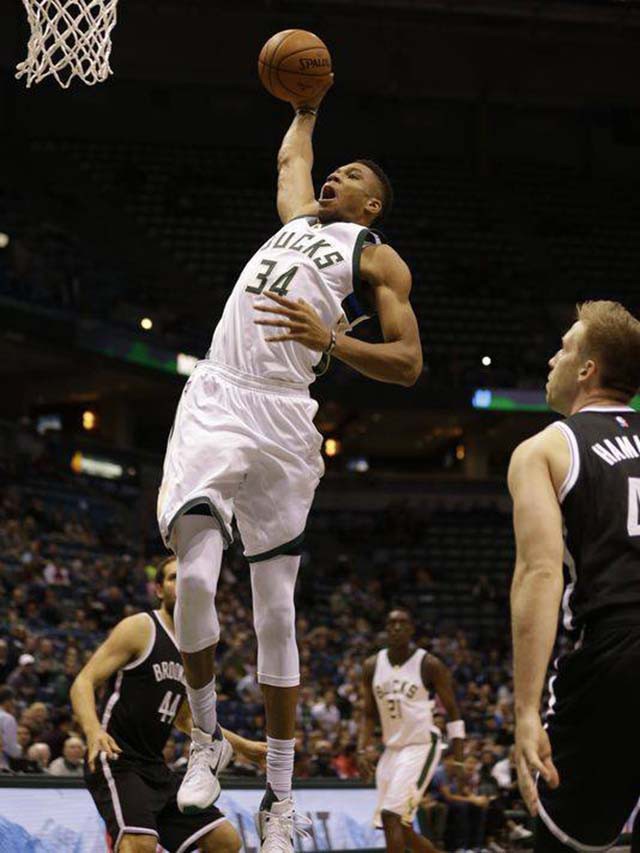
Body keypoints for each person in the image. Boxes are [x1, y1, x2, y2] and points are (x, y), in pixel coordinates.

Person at [156, 70, 422, 852]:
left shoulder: (376, 259)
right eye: (335, 170)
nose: (335, 175)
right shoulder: (296, 217)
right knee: (196, 576)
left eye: (355, 176)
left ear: (371, 206)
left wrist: (331, 339)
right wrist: (306, 107)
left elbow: (408, 362)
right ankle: (204, 739)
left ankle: (278, 795)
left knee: (277, 610)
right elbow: (290, 163)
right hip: (218, 396)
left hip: (286, 414)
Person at [509, 301, 640, 851]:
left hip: (617, 653)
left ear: (587, 369)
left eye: (564, 348)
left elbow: (540, 575)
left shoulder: (546, 448)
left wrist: (525, 710)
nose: (551, 358)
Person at [70, 556, 265, 853]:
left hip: (155, 767)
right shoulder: (140, 627)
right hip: (118, 758)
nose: (183, 584)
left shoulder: (194, 649)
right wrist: (93, 730)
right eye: (174, 578)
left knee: (226, 841)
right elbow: (83, 682)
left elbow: (186, 720)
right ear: (159, 589)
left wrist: (244, 747)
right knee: (140, 844)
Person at [358, 609, 465, 853]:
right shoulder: (372, 666)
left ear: (411, 629)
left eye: (402, 623)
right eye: (392, 623)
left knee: (390, 816)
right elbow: (368, 714)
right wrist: (361, 749)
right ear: (386, 628)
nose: (396, 627)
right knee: (400, 828)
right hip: (392, 749)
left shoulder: (429, 664)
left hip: (421, 745)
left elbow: (453, 712)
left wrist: (458, 758)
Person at [0, 686, 21, 769]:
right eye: (13, 700)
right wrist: (19, 751)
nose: (14, 703)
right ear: (8, 701)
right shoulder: (7, 718)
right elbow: (10, 747)